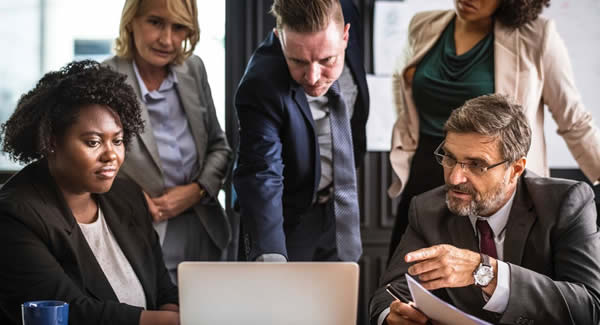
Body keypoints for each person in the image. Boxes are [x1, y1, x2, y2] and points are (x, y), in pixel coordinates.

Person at [387, 0, 600, 259]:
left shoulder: (536, 36)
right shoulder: (423, 24)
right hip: (428, 170)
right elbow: (404, 85)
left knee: (490, 282)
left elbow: (574, 121)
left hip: (492, 180)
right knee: (409, 276)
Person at [370, 94, 600, 325]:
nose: (455, 177)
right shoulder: (427, 208)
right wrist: (391, 317)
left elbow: (589, 309)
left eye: (477, 165)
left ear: (515, 169)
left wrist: (487, 273)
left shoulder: (565, 203)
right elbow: (390, 292)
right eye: (450, 158)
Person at [0, 60, 179, 325]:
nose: (111, 155)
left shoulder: (127, 195)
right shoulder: (15, 215)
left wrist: (176, 311)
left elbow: (162, 286)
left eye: (117, 140)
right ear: (51, 142)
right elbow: (72, 311)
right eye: (93, 142)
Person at [104, 0, 233, 280]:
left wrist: (197, 190)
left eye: (179, 27)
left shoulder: (193, 69)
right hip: (138, 233)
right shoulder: (106, 78)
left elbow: (219, 146)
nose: (167, 39)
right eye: (155, 22)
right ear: (131, 21)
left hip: (205, 232)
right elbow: (89, 164)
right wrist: (134, 199)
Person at [234, 0, 369, 262]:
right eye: (298, 61)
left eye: (327, 60)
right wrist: (270, 252)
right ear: (279, 38)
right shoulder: (260, 85)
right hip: (285, 218)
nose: (313, 77)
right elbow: (261, 172)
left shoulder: (346, 13)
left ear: (345, 36)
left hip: (339, 208)